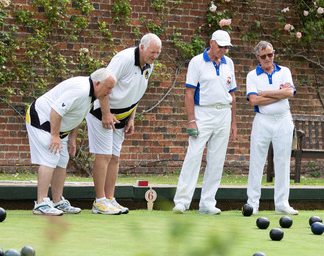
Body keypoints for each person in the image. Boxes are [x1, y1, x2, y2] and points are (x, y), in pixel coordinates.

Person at [85, 33, 162, 215]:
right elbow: (105, 84)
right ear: (142, 47)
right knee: (103, 156)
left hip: (122, 117)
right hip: (102, 114)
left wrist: (131, 117)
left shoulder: (148, 64)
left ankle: (110, 199)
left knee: (114, 157)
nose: (155, 56)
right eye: (152, 52)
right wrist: (105, 113)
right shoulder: (124, 59)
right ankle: (99, 201)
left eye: (158, 53)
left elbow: (136, 91)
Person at [26, 68, 117, 216]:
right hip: (41, 120)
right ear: (97, 83)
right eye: (109, 88)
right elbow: (56, 110)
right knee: (50, 157)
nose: (110, 92)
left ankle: (57, 201)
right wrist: (55, 136)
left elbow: (76, 115)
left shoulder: (91, 94)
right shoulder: (81, 90)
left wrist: (72, 138)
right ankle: (41, 203)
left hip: (57, 128)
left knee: (62, 159)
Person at [173, 30, 238, 215]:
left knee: (217, 161)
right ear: (211, 43)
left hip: (223, 114)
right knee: (193, 157)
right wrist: (191, 120)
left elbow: (232, 95)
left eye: (227, 47)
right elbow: (189, 93)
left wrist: (233, 122)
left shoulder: (229, 63)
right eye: (221, 46)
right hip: (202, 113)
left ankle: (207, 203)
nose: (224, 50)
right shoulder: (197, 62)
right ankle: (182, 202)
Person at [245, 40, 298, 215]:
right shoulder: (252, 75)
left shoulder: (284, 71)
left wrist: (266, 93)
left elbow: (289, 93)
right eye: (263, 56)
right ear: (257, 57)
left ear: (274, 53)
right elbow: (253, 100)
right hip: (262, 119)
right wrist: (279, 94)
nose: (267, 58)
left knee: (282, 161)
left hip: (283, 119)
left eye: (270, 54)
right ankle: (253, 203)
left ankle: (282, 204)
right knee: (256, 162)